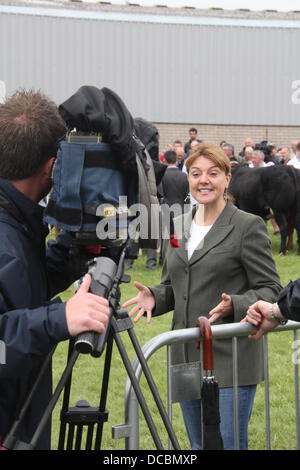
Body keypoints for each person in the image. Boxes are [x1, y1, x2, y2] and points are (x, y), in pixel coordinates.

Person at [122, 142, 282, 450]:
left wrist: (235, 304)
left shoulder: (247, 226)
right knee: (197, 447)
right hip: (184, 357)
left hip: (230, 358)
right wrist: (156, 297)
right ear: (188, 179)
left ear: (227, 178)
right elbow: (174, 285)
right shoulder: (178, 225)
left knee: (228, 446)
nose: (203, 180)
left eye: (212, 173)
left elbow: (271, 289)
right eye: (195, 174)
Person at [0, 90, 110, 449]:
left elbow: (20, 287)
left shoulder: (18, 220)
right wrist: (58, 319)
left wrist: (79, 240)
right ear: (51, 167)